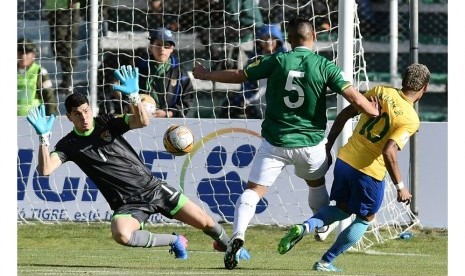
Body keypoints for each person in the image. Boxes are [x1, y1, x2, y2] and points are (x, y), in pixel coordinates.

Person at [192, 16, 380, 270]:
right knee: (315, 183)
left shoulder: (277, 60)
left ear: (289, 41)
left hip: (275, 143)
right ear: (314, 37)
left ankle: (238, 235)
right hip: (311, 145)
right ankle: (320, 227)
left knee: (253, 191)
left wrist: (206, 74)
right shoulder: (325, 66)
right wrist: (373, 109)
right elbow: (354, 98)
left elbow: (239, 75)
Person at [26, 65, 250, 260]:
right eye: (77, 114)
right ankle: (174, 241)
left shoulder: (105, 123)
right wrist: (44, 139)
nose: (84, 118)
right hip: (127, 203)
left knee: (206, 222)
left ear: (90, 109)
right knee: (121, 234)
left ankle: (229, 245)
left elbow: (142, 121)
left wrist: (134, 97)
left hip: (153, 188)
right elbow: (45, 169)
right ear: (69, 117)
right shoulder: (68, 144)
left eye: (86, 111)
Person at [277, 63, 430, 272]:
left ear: (403, 80)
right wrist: (400, 186)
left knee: (343, 209)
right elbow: (389, 151)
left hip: (345, 160)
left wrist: (329, 144)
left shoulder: (380, 91)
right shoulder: (411, 119)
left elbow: (345, 113)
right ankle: (325, 262)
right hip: (369, 172)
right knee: (366, 218)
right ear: (425, 88)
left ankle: (305, 227)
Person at [222, 23, 288, 119]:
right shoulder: (254, 59)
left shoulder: (285, 59)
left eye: (272, 38)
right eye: (264, 38)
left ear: (278, 40)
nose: (268, 42)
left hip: (277, 99)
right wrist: (246, 98)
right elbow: (248, 83)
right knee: (229, 104)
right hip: (256, 100)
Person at [136, 28, 194, 118]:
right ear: (151, 46)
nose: (162, 49)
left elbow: (187, 101)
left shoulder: (180, 73)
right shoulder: (139, 69)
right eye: (158, 45)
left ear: (172, 49)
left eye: (166, 46)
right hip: (141, 118)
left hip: (169, 121)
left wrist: (168, 113)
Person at [45, 0, 81, 95]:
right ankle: (66, 81)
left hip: (67, 7)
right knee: (58, 45)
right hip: (55, 7)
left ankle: (67, 80)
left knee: (63, 43)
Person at [17, 38, 58, 116]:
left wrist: (50, 118)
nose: (23, 55)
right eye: (20, 52)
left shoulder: (40, 72)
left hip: (34, 119)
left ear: (33, 54)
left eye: (27, 52)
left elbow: (49, 97)